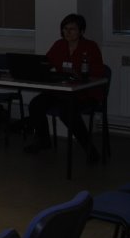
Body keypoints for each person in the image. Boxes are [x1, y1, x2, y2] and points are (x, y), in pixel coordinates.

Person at [25, 13, 105, 161]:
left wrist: (78, 75)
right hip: (61, 91)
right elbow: (46, 62)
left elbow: (97, 73)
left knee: (67, 111)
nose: (67, 32)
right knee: (36, 104)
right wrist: (38, 70)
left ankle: (90, 150)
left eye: (72, 29)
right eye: (65, 29)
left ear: (81, 31)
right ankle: (43, 140)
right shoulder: (59, 45)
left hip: (85, 93)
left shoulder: (90, 47)